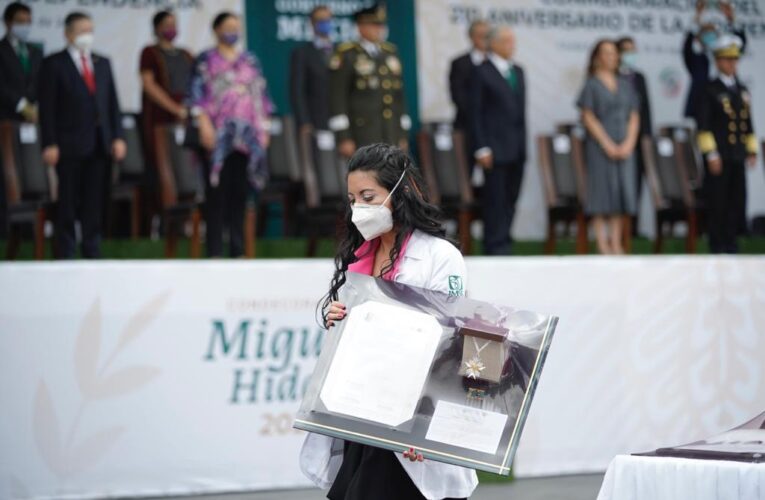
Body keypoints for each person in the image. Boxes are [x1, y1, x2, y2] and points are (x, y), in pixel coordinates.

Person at [301, 143, 477, 500]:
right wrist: (341, 319)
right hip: (363, 418)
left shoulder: (439, 257)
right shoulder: (359, 256)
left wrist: (423, 428)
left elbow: (452, 344)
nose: (359, 209)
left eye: (369, 196)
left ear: (401, 193)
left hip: (410, 422)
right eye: (352, 199)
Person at [39, 11, 126, 259]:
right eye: (81, 31)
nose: (87, 35)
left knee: (94, 201)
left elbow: (112, 104)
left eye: (90, 30)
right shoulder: (54, 64)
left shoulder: (102, 62)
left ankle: (92, 250)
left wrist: (117, 137)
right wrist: (50, 142)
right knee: (67, 202)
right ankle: (65, 252)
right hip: (67, 146)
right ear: (68, 34)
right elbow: (47, 109)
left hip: (99, 144)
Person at [188, 11, 273, 258]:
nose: (232, 32)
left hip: (246, 140)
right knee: (216, 196)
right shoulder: (205, 60)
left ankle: (238, 252)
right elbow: (196, 98)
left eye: (236, 27)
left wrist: (263, 130)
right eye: (227, 27)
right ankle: (214, 251)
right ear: (216, 30)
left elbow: (261, 98)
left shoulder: (250, 61)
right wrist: (203, 124)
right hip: (217, 138)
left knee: (240, 195)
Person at [577, 39, 640, 255]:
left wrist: (629, 142)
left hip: (625, 145)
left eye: (613, 53)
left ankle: (616, 241)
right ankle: (602, 242)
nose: (610, 57)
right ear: (597, 57)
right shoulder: (592, 84)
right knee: (601, 191)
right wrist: (607, 144)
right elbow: (588, 116)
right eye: (605, 53)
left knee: (621, 192)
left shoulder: (626, 84)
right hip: (600, 146)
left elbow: (633, 115)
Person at [696, 35, 757, 254]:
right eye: (727, 59)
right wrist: (711, 153)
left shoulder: (742, 90)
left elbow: (748, 122)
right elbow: (703, 125)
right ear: (718, 61)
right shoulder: (709, 89)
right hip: (719, 154)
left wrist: (751, 149)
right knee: (718, 199)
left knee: (737, 198)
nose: (732, 64)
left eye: (735, 59)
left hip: (737, 153)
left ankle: (732, 240)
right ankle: (717, 242)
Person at [470, 26, 526, 256]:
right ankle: (494, 246)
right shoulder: (481, 72)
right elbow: (474, 112)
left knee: (511, 197)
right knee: (495, 199)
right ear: (492, 44)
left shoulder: (518, 71)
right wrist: (481, 147)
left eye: (513, 41)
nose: (511, 45)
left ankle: (505, 241)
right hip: (493, 148)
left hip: (517, 147)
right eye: (506, 41)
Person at [328, 4, 411, 158]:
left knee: (388, 176)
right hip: (362, 133)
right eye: (374, 25)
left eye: (381, 25)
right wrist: (343, 137)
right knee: (365, 177)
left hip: (389, 131)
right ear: (361, 27)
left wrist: (402, 133)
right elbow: (337, 98)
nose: (379, 29)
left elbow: (399, 96)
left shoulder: (390, 52)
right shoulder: (346, 54)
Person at [139, 10, 194, 231]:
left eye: (174, 23)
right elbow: (149, 85)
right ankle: (160, 221)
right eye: (167, 24)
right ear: (156, 27)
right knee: (161, 168)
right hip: (160, 119)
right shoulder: (149, 53)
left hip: (185, 121)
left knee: (187, 167)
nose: (171, 28)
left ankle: (188, 220)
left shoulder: (186, 55)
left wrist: (189, 110)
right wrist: (175, 108)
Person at [0, 2, 43, 237]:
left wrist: (35, 107)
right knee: (6, 176)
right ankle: (5, 231)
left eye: (28, 21)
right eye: (20, 21)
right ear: (7, 22)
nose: (24, 26)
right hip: (6, 121)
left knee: (29, 173)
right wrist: (21, 105)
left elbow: (39, 83)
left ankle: (28, 231)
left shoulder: (35, 52)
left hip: (30, 125)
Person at [683, 0, 746, 123]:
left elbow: (741, 45)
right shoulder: (696, 60)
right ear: (698, 38)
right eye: (706, 33)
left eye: (713, 33)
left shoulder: (726, 55)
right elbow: (687, 46)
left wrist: (731, 18)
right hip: (700, 110)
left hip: (725, 109)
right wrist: (697, 16)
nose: (710, 35)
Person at [617, 36, 652, 234]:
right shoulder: (612, 77)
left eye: (633, 50)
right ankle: (618, 228)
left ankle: (633, 228)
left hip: (638, 141)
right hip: (618, 141)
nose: (631, 55)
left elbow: (645, 111)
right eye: (627, 50)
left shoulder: (639, 78)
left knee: (636, 184)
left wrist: (646, 137)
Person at [290, 5, 333, 133]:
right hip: (316, 121)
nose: (325, 23)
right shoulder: (302, 53)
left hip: (340, 121)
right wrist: (304, 121)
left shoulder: (341, 52)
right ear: (312, 23)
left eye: (328, 20)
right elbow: (297, 90)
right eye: (320, 20)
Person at [449, 19, 489, 133]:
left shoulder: (497, 64)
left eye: (487, 35)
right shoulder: (459, 63)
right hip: (467, 127)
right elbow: (458, 96)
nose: (485, 39)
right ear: (471, 37)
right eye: (481, 35)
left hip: (495, 131)